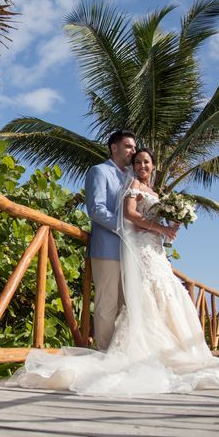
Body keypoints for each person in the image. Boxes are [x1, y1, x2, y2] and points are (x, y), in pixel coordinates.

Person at [8, 148, 219, 395]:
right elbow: (130, 215)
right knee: (146, 295)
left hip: (156, 250)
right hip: (142, 249)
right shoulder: (132, 187)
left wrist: (172, 225)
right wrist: (160, 229)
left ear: (153, 165)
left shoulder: (153, 190)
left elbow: (154, 223)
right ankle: (144, 351)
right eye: (138, 161)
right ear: (133, 166)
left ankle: (178, 347)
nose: (142, 165)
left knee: (168, 295)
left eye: (146, 161)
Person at [84, 130, 146, 350]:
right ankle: (103, 352)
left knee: (125, 305)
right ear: (114, 147)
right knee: (107, 303)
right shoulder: (99, 171)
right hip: (107, 248)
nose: (133, 151)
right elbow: (96, 209)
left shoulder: (132, 178)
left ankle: (119, 352)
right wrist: (125, 227)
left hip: (130, 251)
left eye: (134, 147)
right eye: (129, 146)